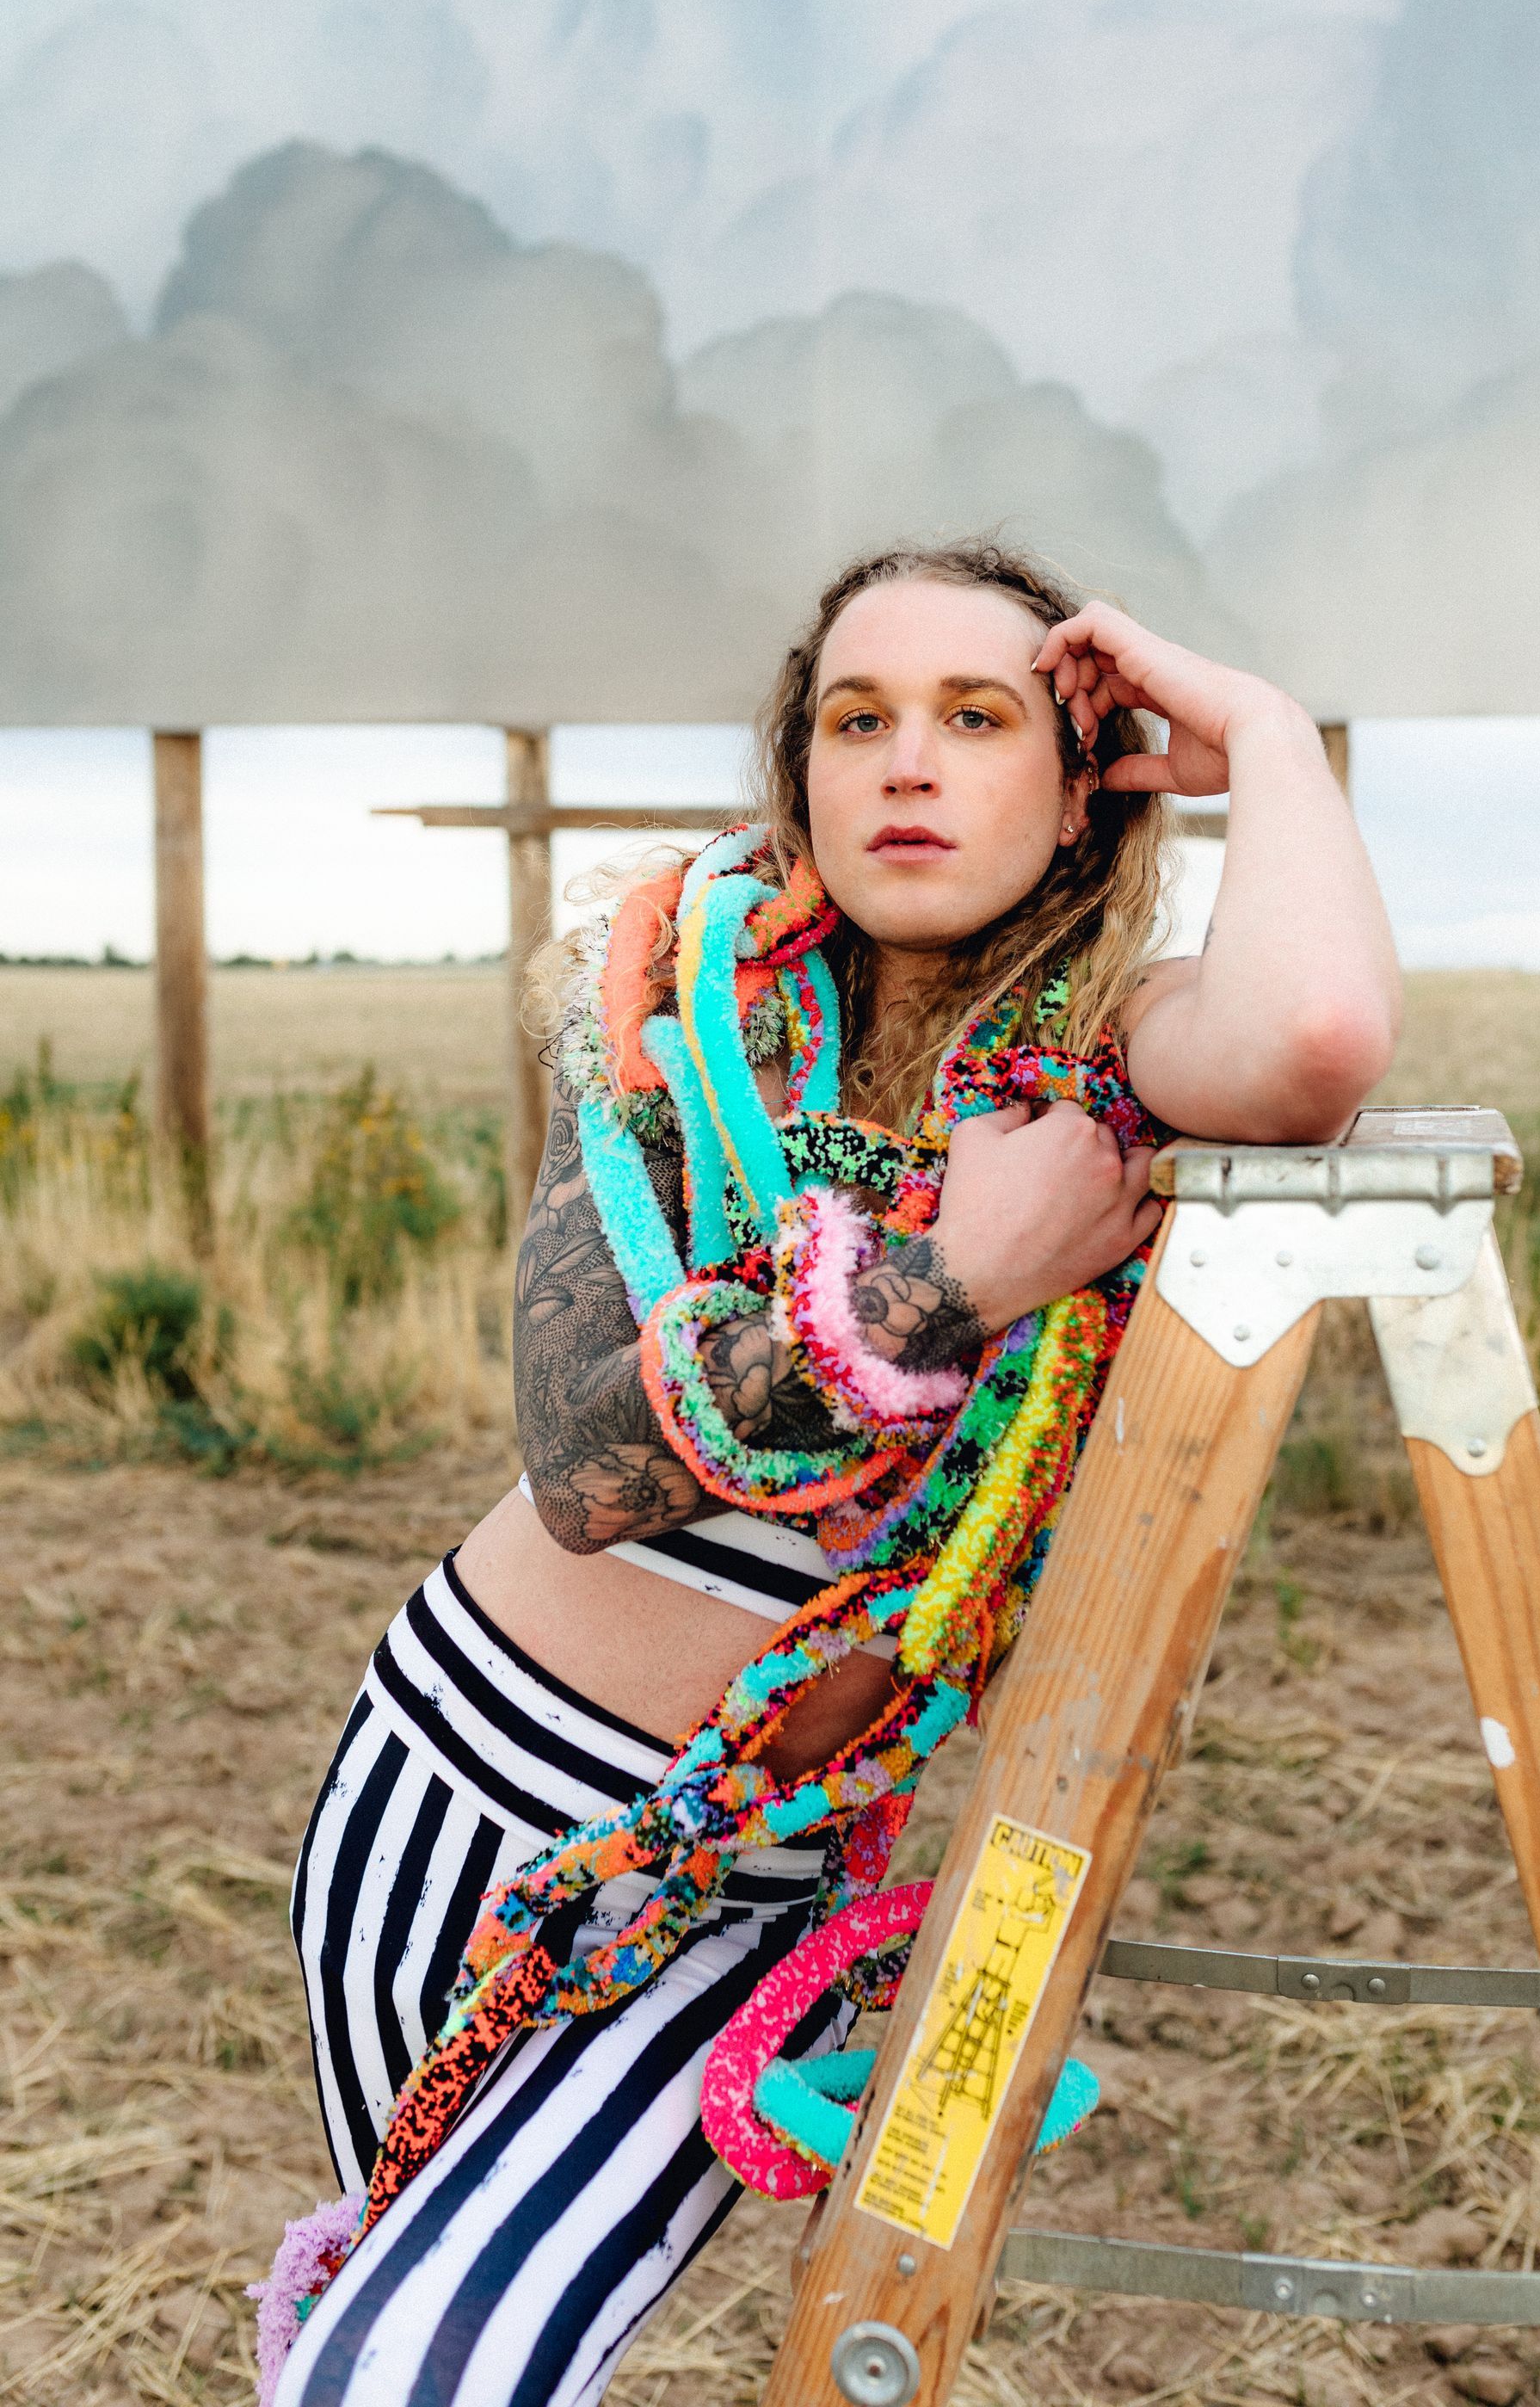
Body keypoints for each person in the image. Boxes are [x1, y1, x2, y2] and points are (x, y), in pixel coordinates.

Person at [276, 540, 1400, 2405]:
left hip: (710, 1870)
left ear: (1082, 787)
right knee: (381, 2309)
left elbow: (1317, 1039)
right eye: (857, 719)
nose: (908, 761)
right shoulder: (680, 1019)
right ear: (798, 773)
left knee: (409, 2375)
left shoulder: (1109, 1067)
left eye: (980, 718)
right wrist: (952, 1281)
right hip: (431, 1770)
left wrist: (1265, 731)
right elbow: (581, 1457)